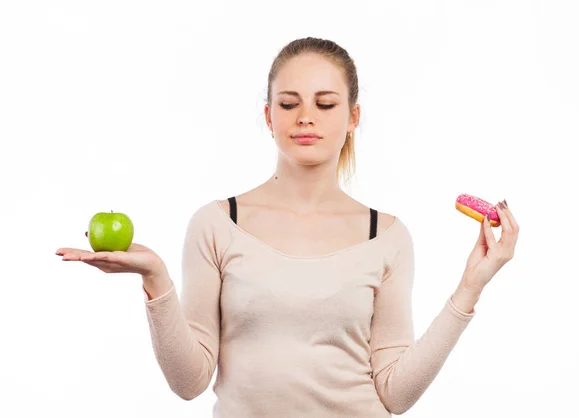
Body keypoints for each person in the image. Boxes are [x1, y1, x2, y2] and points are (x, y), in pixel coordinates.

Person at [56, 37, 520, 417]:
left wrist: (469, 288)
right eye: (289, 103)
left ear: (353, 117)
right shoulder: (216, 224)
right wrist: (155, 279)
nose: (306, 117)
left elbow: (395, 394)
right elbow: (189, 382)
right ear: (268, 116)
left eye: (325, 103)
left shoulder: (389, 236)